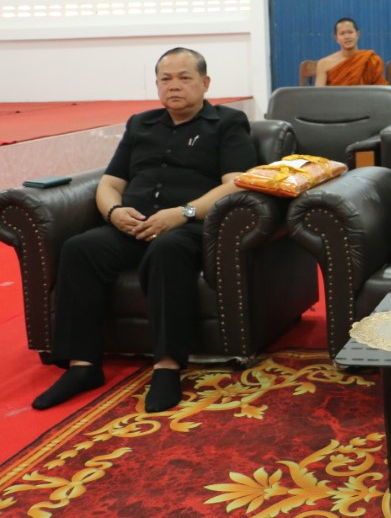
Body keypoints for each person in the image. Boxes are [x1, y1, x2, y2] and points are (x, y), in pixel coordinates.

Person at [32, 48, 259, 413]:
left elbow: (235, 183)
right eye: (165, 79)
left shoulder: (227, 123)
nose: (174, 86)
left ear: (205, 83)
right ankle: (82, 365)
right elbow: (110, 183)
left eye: (184, 78)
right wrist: (114, 213)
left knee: (166, 251)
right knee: (79, 249)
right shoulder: (140, 124)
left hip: (188, 227)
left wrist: (181, 213)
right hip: (133, 225)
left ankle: (167, 365)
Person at [315, 17, 387, 86]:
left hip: (365, 95)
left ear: (358, 34)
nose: (347, 37)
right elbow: (319, 93)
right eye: (342, 33)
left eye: (350, 32)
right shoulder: (323, 64)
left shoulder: (371, 60)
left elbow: (379, 90)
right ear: (336, 38)